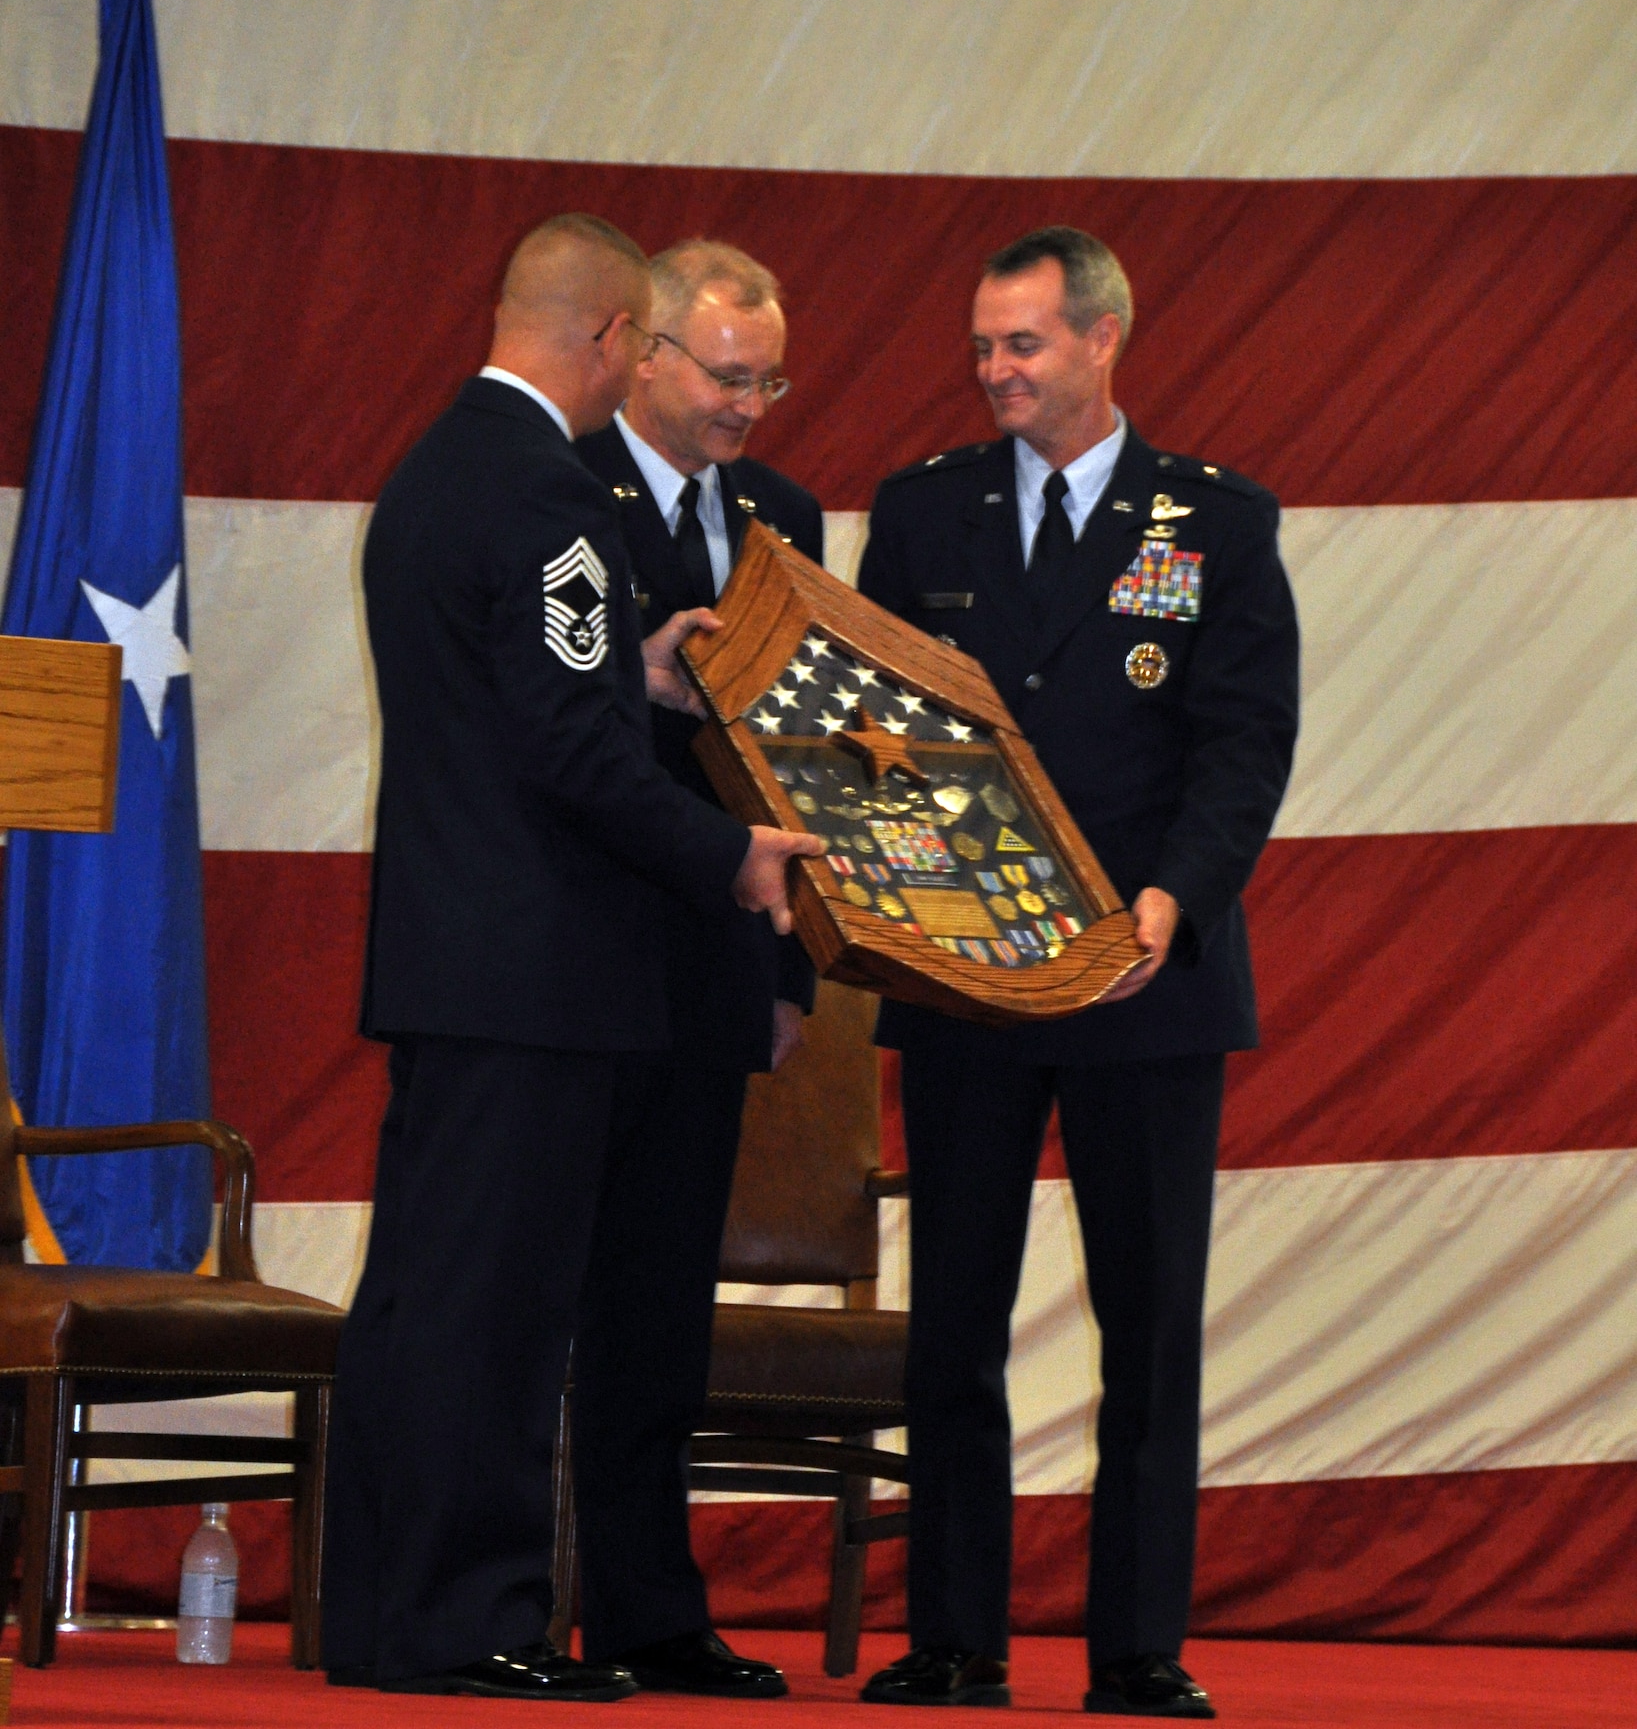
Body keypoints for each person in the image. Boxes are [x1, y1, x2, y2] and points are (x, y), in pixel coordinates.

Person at [320, 214, 820, 1702]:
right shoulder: (548, 498)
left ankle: (390, 1614)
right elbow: (572, 760)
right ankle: (476, 1617)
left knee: (426, 1298)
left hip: (462, 962)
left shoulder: (436, 473)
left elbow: (526, 697)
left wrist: (639, 672)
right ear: (616, 338)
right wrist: (729, 855)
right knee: (490, 1316)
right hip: (537, 977)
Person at [856, 227, 1299, 1718]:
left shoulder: (1215, 523)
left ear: (1106, 336)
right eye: (981, 346)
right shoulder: (922, 517)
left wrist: (1172, 901)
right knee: (953, 1322)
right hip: (970, 974)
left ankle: (1135, 1650)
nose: (992, 372)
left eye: (1022, 344)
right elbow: (877, 740)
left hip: (1147, 976)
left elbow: (1243, 743)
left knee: (1148, 1325)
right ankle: (953, 1639)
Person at [571, 241, 823, 1696]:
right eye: (725, 374)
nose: (747, 406)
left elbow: (801, 763)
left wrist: (790, 979)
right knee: (535, 1294)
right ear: (645, 352)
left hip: (718, 962)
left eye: (767, 378)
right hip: (572, 956)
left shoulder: (785, 518)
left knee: (660, 1313)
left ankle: (651, 1615)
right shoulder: (563, 497)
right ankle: (496, 1596)